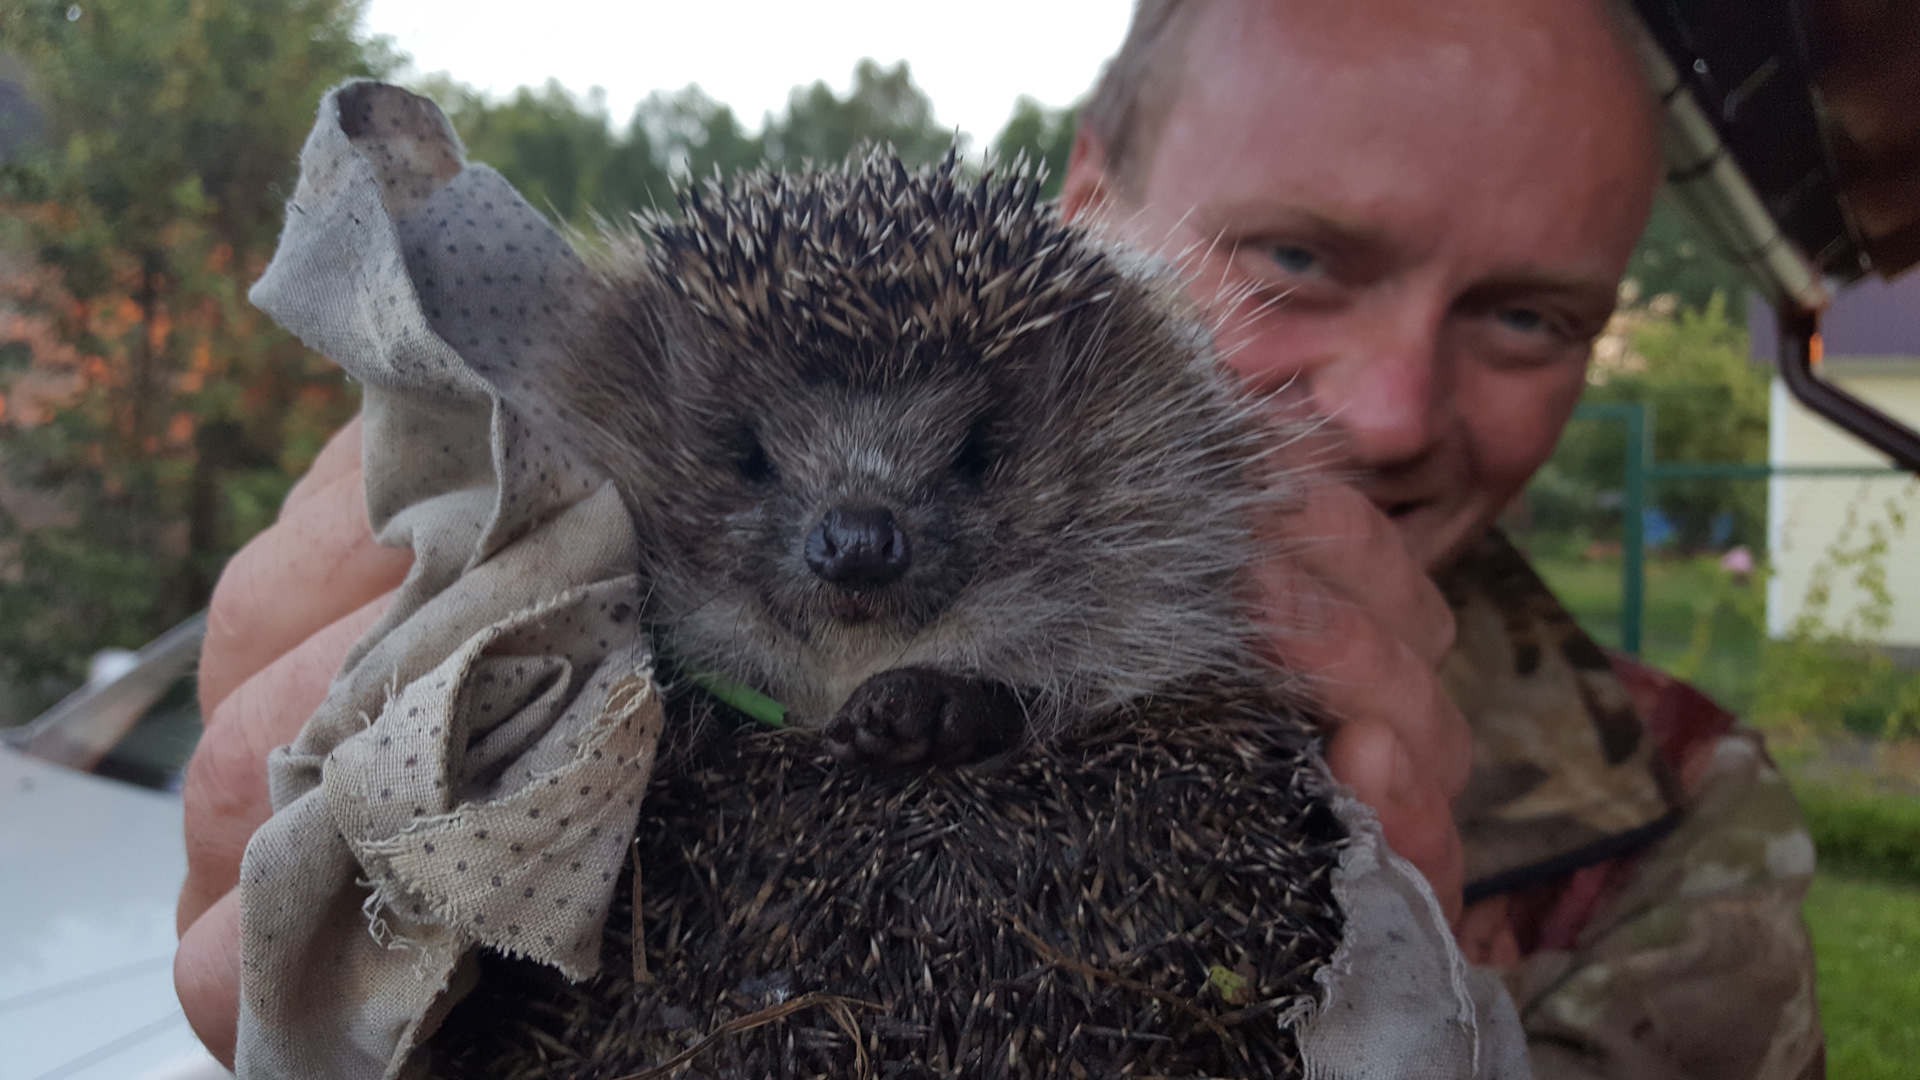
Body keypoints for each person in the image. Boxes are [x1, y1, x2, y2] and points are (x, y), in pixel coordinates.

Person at [174, 1, 1824, 1076]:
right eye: (1298, 258)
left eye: (1530, 316)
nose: (1386, 410)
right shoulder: (509, 577)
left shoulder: (1692, 831)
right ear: (1095, 216)